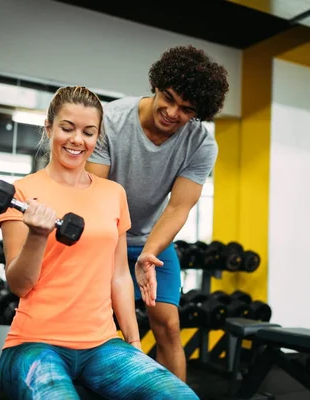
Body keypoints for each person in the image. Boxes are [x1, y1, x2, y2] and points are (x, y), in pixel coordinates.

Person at [0, 86, 198, 399]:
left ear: (97, 137)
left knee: (181, 396)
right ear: (49, 128)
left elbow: (119, 275)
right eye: (67, 128)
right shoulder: (21, 193)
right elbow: (19, 285)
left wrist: (133, 344)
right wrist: (38, 235)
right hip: (34, 344)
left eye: (88, 132)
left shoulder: (112, 193)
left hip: (103, 345)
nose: (77, 140)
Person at [86, 45, 229, 381]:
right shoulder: (111, 121)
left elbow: (179, 207)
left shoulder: (201, 144)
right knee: (98, 323)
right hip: (105, 234)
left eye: (186, 109)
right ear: (156, 84)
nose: (171, 111)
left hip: (152, 239)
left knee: (168, 324)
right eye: (168, 97)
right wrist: (118, 255)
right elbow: (96, 195)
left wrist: (149, 253)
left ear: (198, 113)